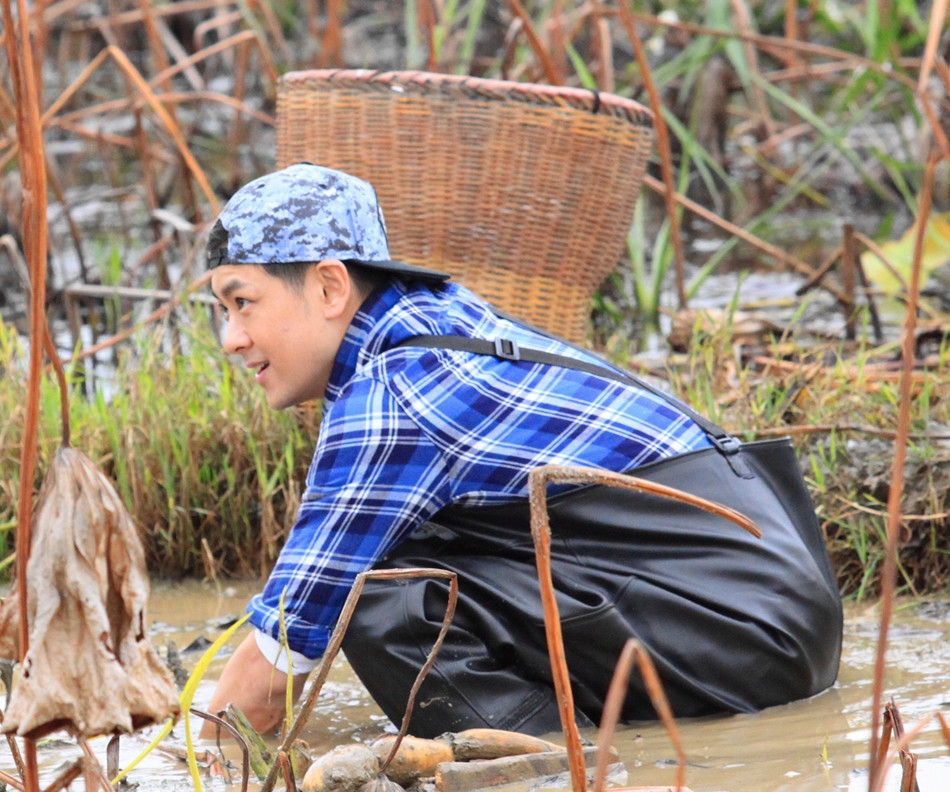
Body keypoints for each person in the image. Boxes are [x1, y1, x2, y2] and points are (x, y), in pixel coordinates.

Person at [201, 162, 843, 739]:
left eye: (242, 302)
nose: (232, 337)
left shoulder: (392, 392)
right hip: (774, 606)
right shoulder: (436, 322)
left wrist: (187, 767)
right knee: (415, 555)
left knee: (381, 590)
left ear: (330, 288)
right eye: (222, 311)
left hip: (740, 634)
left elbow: (285, 649)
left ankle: (539, 773)